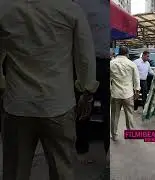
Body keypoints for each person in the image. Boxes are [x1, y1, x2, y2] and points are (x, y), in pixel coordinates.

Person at [0, 0, 99, 179]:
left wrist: (2, 87)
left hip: (17, 106)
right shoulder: (70, 9)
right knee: (62, 171)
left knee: (14, 172)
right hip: (58, 106)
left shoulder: (5, 8)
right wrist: (87, 92)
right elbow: (85, 58)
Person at [110, 46, 140, 141]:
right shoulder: (131, 64)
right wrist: (137, 91)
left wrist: (110, 89)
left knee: (114, 115)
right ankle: (130, 133)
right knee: (129, 114)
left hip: (115, 93)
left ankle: (114, 135)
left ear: (119, 52)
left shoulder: (111, 63)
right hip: (128, 94)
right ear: (127, 53)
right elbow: (136, 79)